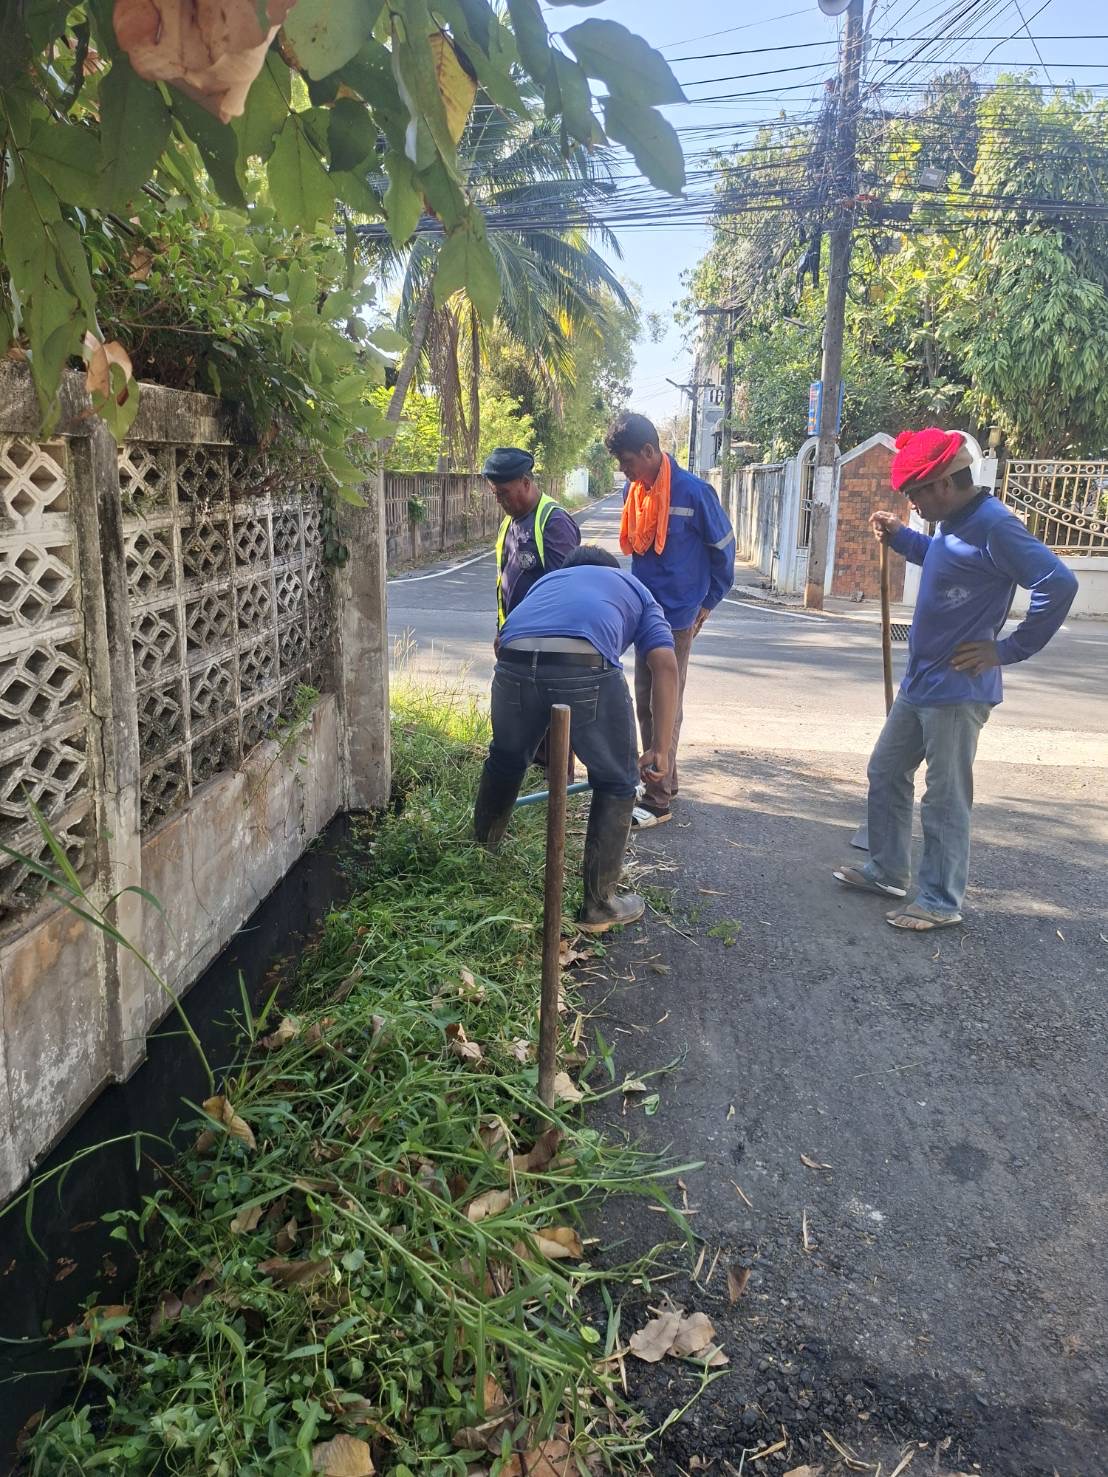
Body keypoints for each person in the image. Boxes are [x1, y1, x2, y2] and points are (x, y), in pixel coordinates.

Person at [834, 427, 1079, 932]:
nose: (912, 502)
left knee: (945, 797)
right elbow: (946, 561)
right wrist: (904, 539)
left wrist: (1007, 649)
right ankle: (887, 871)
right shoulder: (952, 522)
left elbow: (1059, 583)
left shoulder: (996, 525)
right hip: (922, 682)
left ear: (943, 484)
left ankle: (941, 900)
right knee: (885, 770)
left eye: (915, 493)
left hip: (958, 690)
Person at [473, 547, 680, 934]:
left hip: (514, 660)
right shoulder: (633, 586)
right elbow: (665, 665)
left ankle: (479, 855)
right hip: (584, 666)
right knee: (617, 781)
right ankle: (599, 906)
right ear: (610, 571)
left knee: (505, 759)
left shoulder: (547, 583)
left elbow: (502, 645)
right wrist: (662, 748)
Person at [604, 412, 735, 826]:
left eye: (627, 462)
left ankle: (658, 800)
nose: (625, 472)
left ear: (649, 451)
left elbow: (724, 551)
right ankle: (665, 776)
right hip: (645, 609)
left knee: (665, 704)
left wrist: (708, 602)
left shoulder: (694, 493)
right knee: (645, 701)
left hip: (677, 616)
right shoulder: (636, 490)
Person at [482, 447, 580, 630]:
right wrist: (500, 629)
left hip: (540, 640)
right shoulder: (507, 523)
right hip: (513, 636)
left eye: (503, 493)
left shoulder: (554, 522)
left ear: (526, 483)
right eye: (495, 494)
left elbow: (563, 592)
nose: (498, 500)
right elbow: (505, 587)